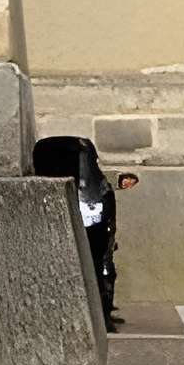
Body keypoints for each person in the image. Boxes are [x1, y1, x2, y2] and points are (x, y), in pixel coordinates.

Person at [31, 135, 137, 331]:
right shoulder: (59, 181)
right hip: (80, 222)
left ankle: (103, 313)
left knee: (104, 264)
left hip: (94, 223)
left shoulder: (94, 183)